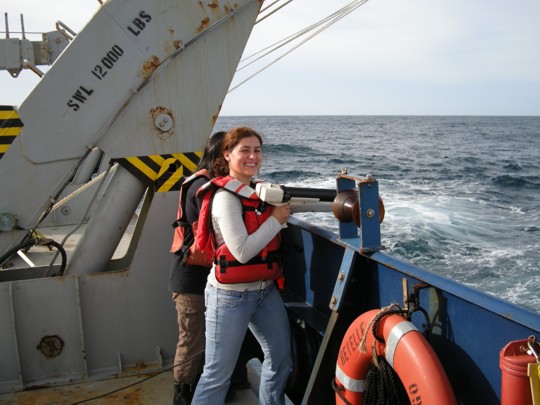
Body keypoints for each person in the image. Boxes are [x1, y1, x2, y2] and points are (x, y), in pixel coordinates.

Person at [191, 126, 292, 405]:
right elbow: (243, 251)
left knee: (281, 360)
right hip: (229, 296)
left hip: (265, 291)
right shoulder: (225, 198)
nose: (252, 156)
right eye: (244, 150)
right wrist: (276, 219)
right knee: (216, 375)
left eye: (257, 150)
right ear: (227, 155)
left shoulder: (256, 192)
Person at [169, 131, 225, 405]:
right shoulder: (203, 188)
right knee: (191, 343)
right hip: (191, 282)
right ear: (217, 157)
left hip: (198, 278)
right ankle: (182, 395)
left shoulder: (197, 182)